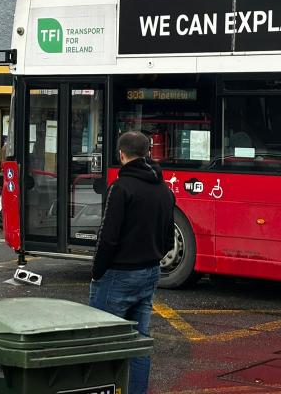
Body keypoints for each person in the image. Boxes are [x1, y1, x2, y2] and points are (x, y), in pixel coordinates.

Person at [89, 131, 175, 394]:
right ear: (148, 153)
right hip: (149, 272)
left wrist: (97, 272)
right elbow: (168, 239)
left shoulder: (120, 188)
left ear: (121, 154)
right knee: (139, 343)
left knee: (102, 342)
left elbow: (108, 238)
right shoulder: (163, 189)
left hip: (118, 274)